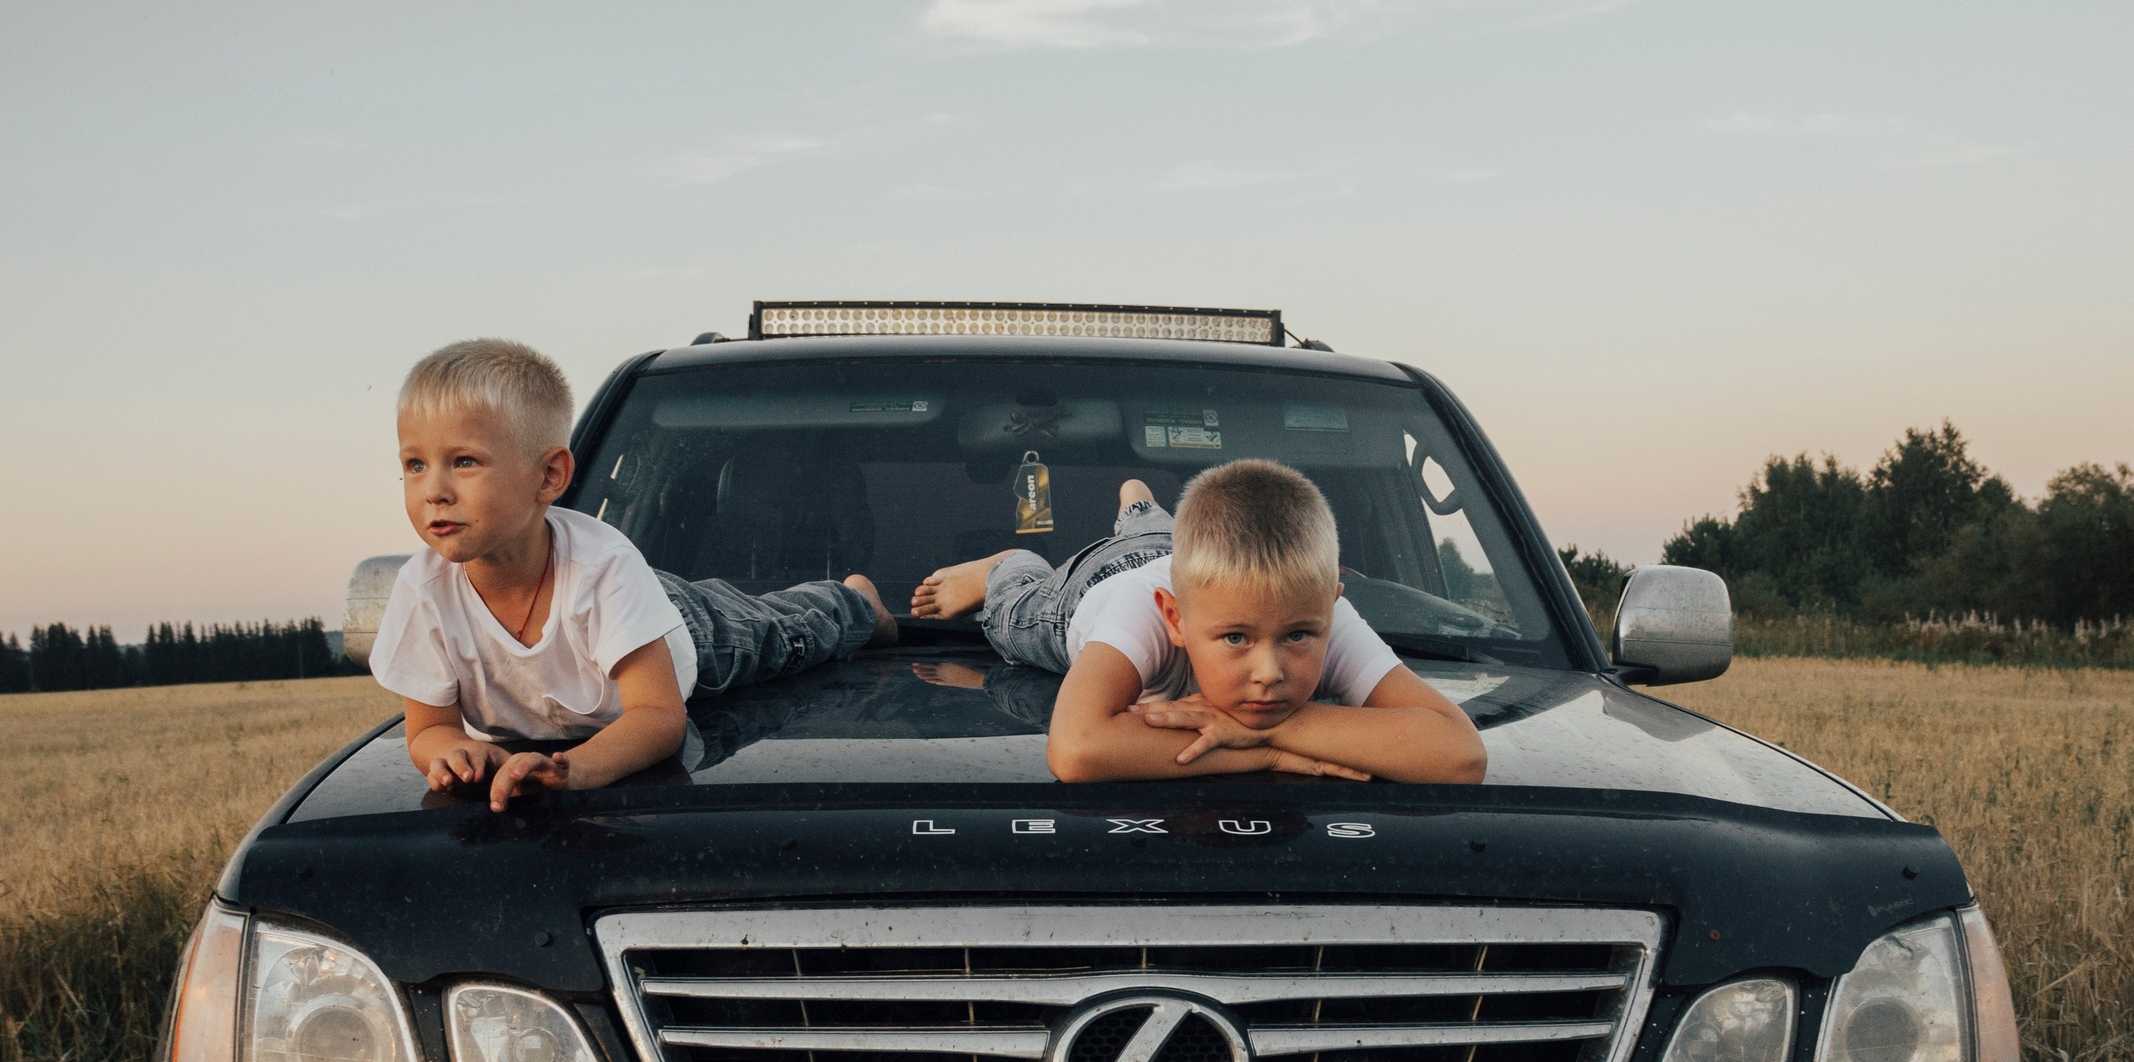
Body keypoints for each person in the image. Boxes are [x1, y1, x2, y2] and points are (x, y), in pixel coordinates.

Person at [369, 340, 898, 810]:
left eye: (463, 461)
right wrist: (455, 753)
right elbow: (429, 730)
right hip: (621, 625)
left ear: (549, 475)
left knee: (781, 632)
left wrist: (570, 771)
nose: (433, 489)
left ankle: (854, 601)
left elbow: (658, 718)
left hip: (685, 633)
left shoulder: (601, 567)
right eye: (415, 465)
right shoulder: (423, 589)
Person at [914, 461, 1486, 784]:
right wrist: (1266, 751)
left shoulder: (1314, 610)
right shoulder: (1140, 615)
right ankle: (1005, 564)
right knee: (1013, 612)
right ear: (1176, 620)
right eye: (1236, 638)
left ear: (1332, 604)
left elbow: (1460, 753)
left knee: (1159, 537)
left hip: (1183, 558)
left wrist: (1272, 726)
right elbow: (1077, 748)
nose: (1270, 671)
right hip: (1086, 590)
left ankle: (1140, 506)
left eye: (1298, 637)